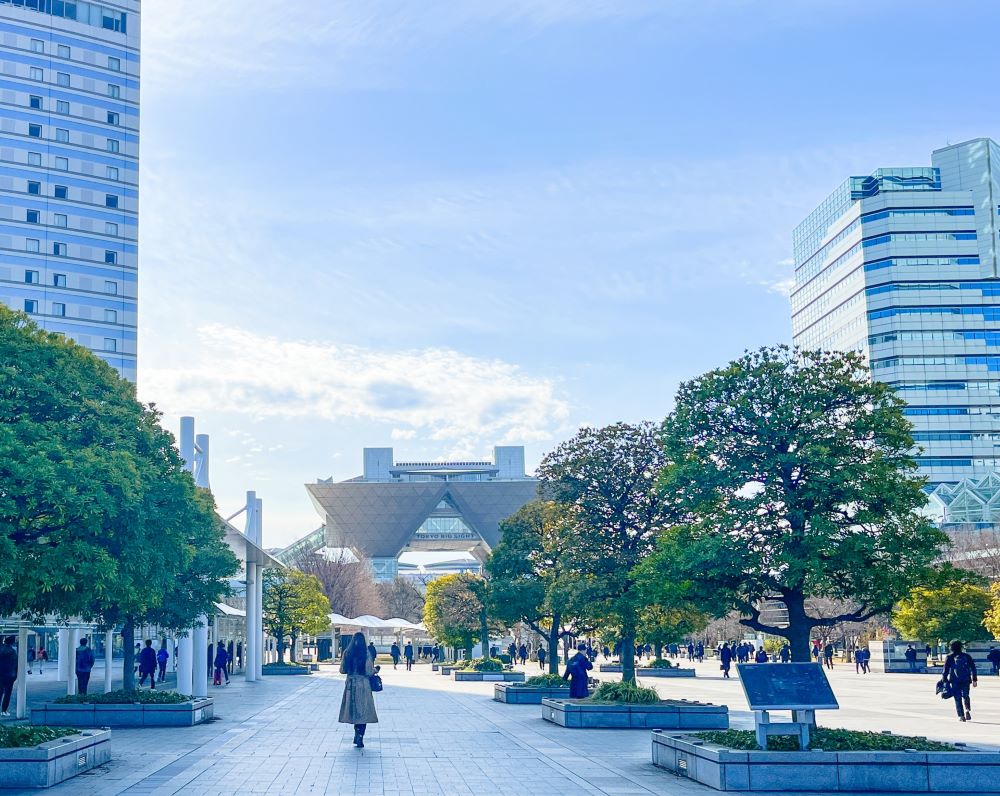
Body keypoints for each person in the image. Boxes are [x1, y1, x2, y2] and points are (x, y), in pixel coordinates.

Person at [339, 632, 378, 748]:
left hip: (351, 685)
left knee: (354, 711)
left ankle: (356, 733)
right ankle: (360, 735)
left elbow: (342, 670)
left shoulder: (347, 653)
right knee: (363, 711)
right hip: (363, 685)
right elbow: (369, 671)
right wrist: (376, 670)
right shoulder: (366, 653)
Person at [941, 640, 978, 722]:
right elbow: (973, 668)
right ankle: (967, 710)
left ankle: (961, 716)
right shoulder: (967, 656)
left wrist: (944, 679)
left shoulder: (949, 657)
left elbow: (945, 670)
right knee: (965, 695)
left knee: (957, 697)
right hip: (966, 679)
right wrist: (974, 679)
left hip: (954, 680)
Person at [0, 636, 16, 717]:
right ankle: (4, 710)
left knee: (0, 692)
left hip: (1, 674)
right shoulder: (13, 651)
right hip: (9, 675)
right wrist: (15, 675)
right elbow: (15, 664)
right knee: (7, 693)